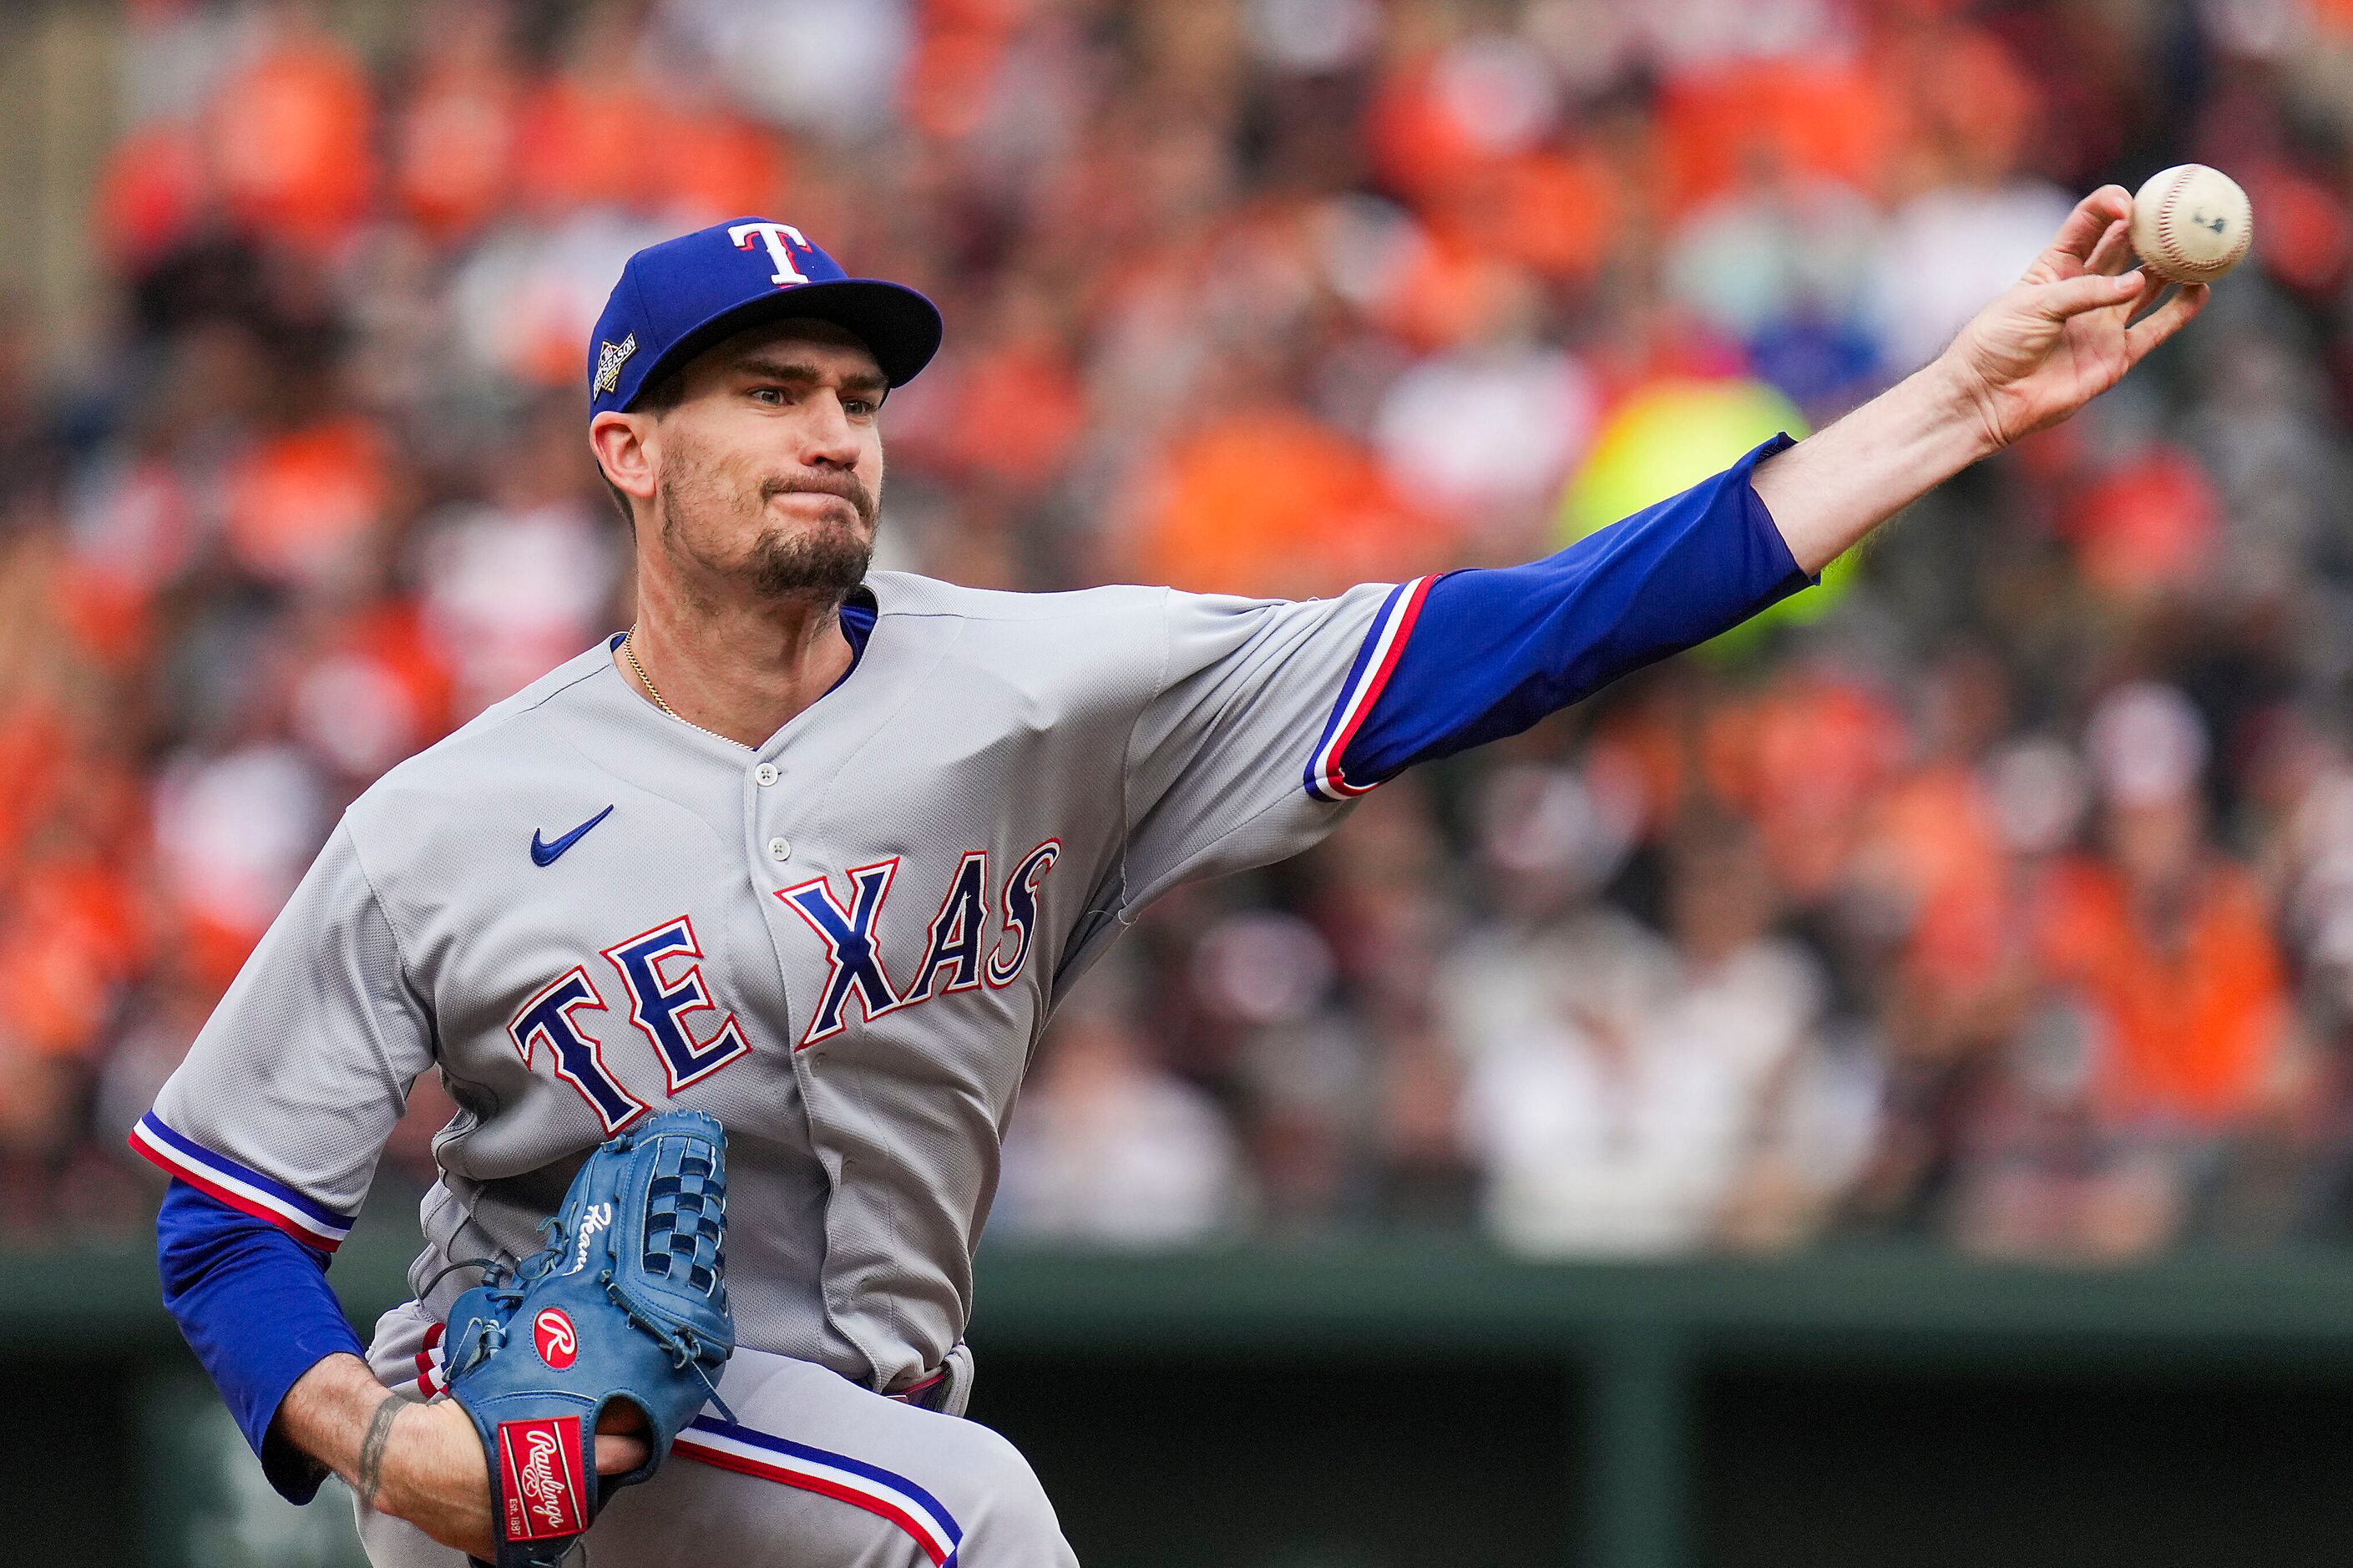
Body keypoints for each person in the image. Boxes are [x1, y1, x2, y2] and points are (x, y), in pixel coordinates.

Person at [135, 193, 2202, 1564]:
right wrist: (367, 1439)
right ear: (626, 449)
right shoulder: (441, 819)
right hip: (531, 1418)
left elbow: (1517, 634)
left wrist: (1948, 404)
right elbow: (225, 1221)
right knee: (972, 1524)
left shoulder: (1045, 689)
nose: (833, 433)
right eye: (765, 395)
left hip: (822, 1428)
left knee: (919, 1482)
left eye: (857, 398)